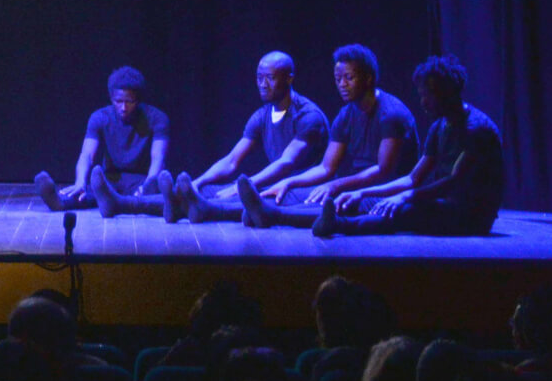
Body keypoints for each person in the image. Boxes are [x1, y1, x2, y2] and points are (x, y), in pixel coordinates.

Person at [313, 54, 505, 239]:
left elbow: (452, 182)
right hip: (443, 204)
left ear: (447, 93)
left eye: (428, 96)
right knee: (365, 202)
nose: (423, 102)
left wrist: (405, 197)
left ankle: (338, 225)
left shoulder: (476, 129)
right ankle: (316, 218)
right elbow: (413, 178)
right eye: (422, 95)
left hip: (472, 215)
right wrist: (362, 192)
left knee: (403, 210)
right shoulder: (439, 126)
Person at [235, 44, 418, 229]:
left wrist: (336, 185)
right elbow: (326, 168)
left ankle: (273, 216)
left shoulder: (391, 115)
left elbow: (383, 171)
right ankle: (256, 211)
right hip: (356, 185)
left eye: (349, 78)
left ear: (368, 78)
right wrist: (289, 182)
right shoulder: (346, 114)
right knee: (283, 194)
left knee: (341, 204)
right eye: (338, 79)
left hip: (388, 190)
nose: (342, 84)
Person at [173, 52, 330, 223]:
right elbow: (232, 160)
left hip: (302, 188)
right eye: (259, 78)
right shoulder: (262, 115)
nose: (263, 84)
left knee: (248, 199)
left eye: (270, 78)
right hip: (274, 185)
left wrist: (245, 186)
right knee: (204, 191)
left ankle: (203, 210)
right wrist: (197, 183)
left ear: (289, 79)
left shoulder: (308, 116)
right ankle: (171, 204)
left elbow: (286, 162)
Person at [34, 67, 169, 216]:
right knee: (90, 190)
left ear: (138, 100)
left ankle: (121, 203)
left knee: (155, 194)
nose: (124, 107)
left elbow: (158, 157)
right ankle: (59, 202)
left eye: (129, 102)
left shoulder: (157, 118)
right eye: (119, 101)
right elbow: (87, 155)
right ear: (111, 98)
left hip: (141, 179)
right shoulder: (100, 117)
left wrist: (149, 184)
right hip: (112, 178)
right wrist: (80, 182)